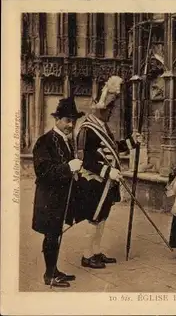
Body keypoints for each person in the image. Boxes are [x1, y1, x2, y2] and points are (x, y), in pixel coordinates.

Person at [73, 76, 141, 269]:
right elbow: (85, 159)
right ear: (100, 110)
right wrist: (106, 171)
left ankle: (95, 252)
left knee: (102, 217)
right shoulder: (87, 129)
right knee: (94, 218)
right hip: (94, 181)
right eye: (108, 110)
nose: (111, 113)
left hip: (106, 181)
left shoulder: (102, 127)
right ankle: (87, 256)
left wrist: (132, 142)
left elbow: (113, 148)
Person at [32, 97, 84, 287]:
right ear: (57, 120)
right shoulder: (44, 142)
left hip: (61, 198)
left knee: (56, 234)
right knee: (52, 234)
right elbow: (43, 171)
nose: (71, 125)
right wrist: (68, 167)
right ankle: (49, 275)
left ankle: (54, 270)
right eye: (67, 120)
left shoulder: (66, 141)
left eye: (73, 120)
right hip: (49, 198)